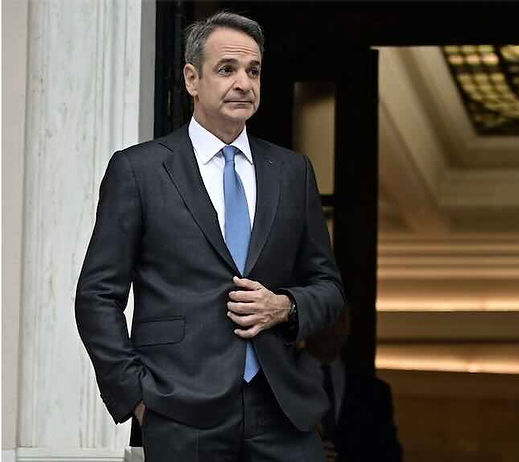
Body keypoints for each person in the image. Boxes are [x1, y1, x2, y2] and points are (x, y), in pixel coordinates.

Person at [75, 11, 344, 461]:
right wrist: (137, 397)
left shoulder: (292, 172)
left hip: (281, 409)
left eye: (253, 71)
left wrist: (286, 306)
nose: (244, 83)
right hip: (178, 410)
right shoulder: (139, 170)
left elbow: (329, 288)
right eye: (227, 69)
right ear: (192, 79)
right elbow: (97, 296)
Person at [305, 310, 403, 462]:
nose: (331, 327)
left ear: (347, 324)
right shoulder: (274, 385)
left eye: (338, 318)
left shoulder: (374, 392)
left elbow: (389, 455)